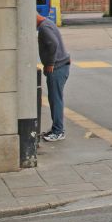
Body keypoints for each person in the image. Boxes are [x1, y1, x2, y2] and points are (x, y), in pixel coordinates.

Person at [36, 13, 71, 142]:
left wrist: (50, 63)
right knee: (55, 99)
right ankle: (56, 128)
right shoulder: (48, 23)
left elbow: (54, 44)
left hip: (57, 67)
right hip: (62, 65)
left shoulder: (44, 27)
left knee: (55, 100)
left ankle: (58, 131)